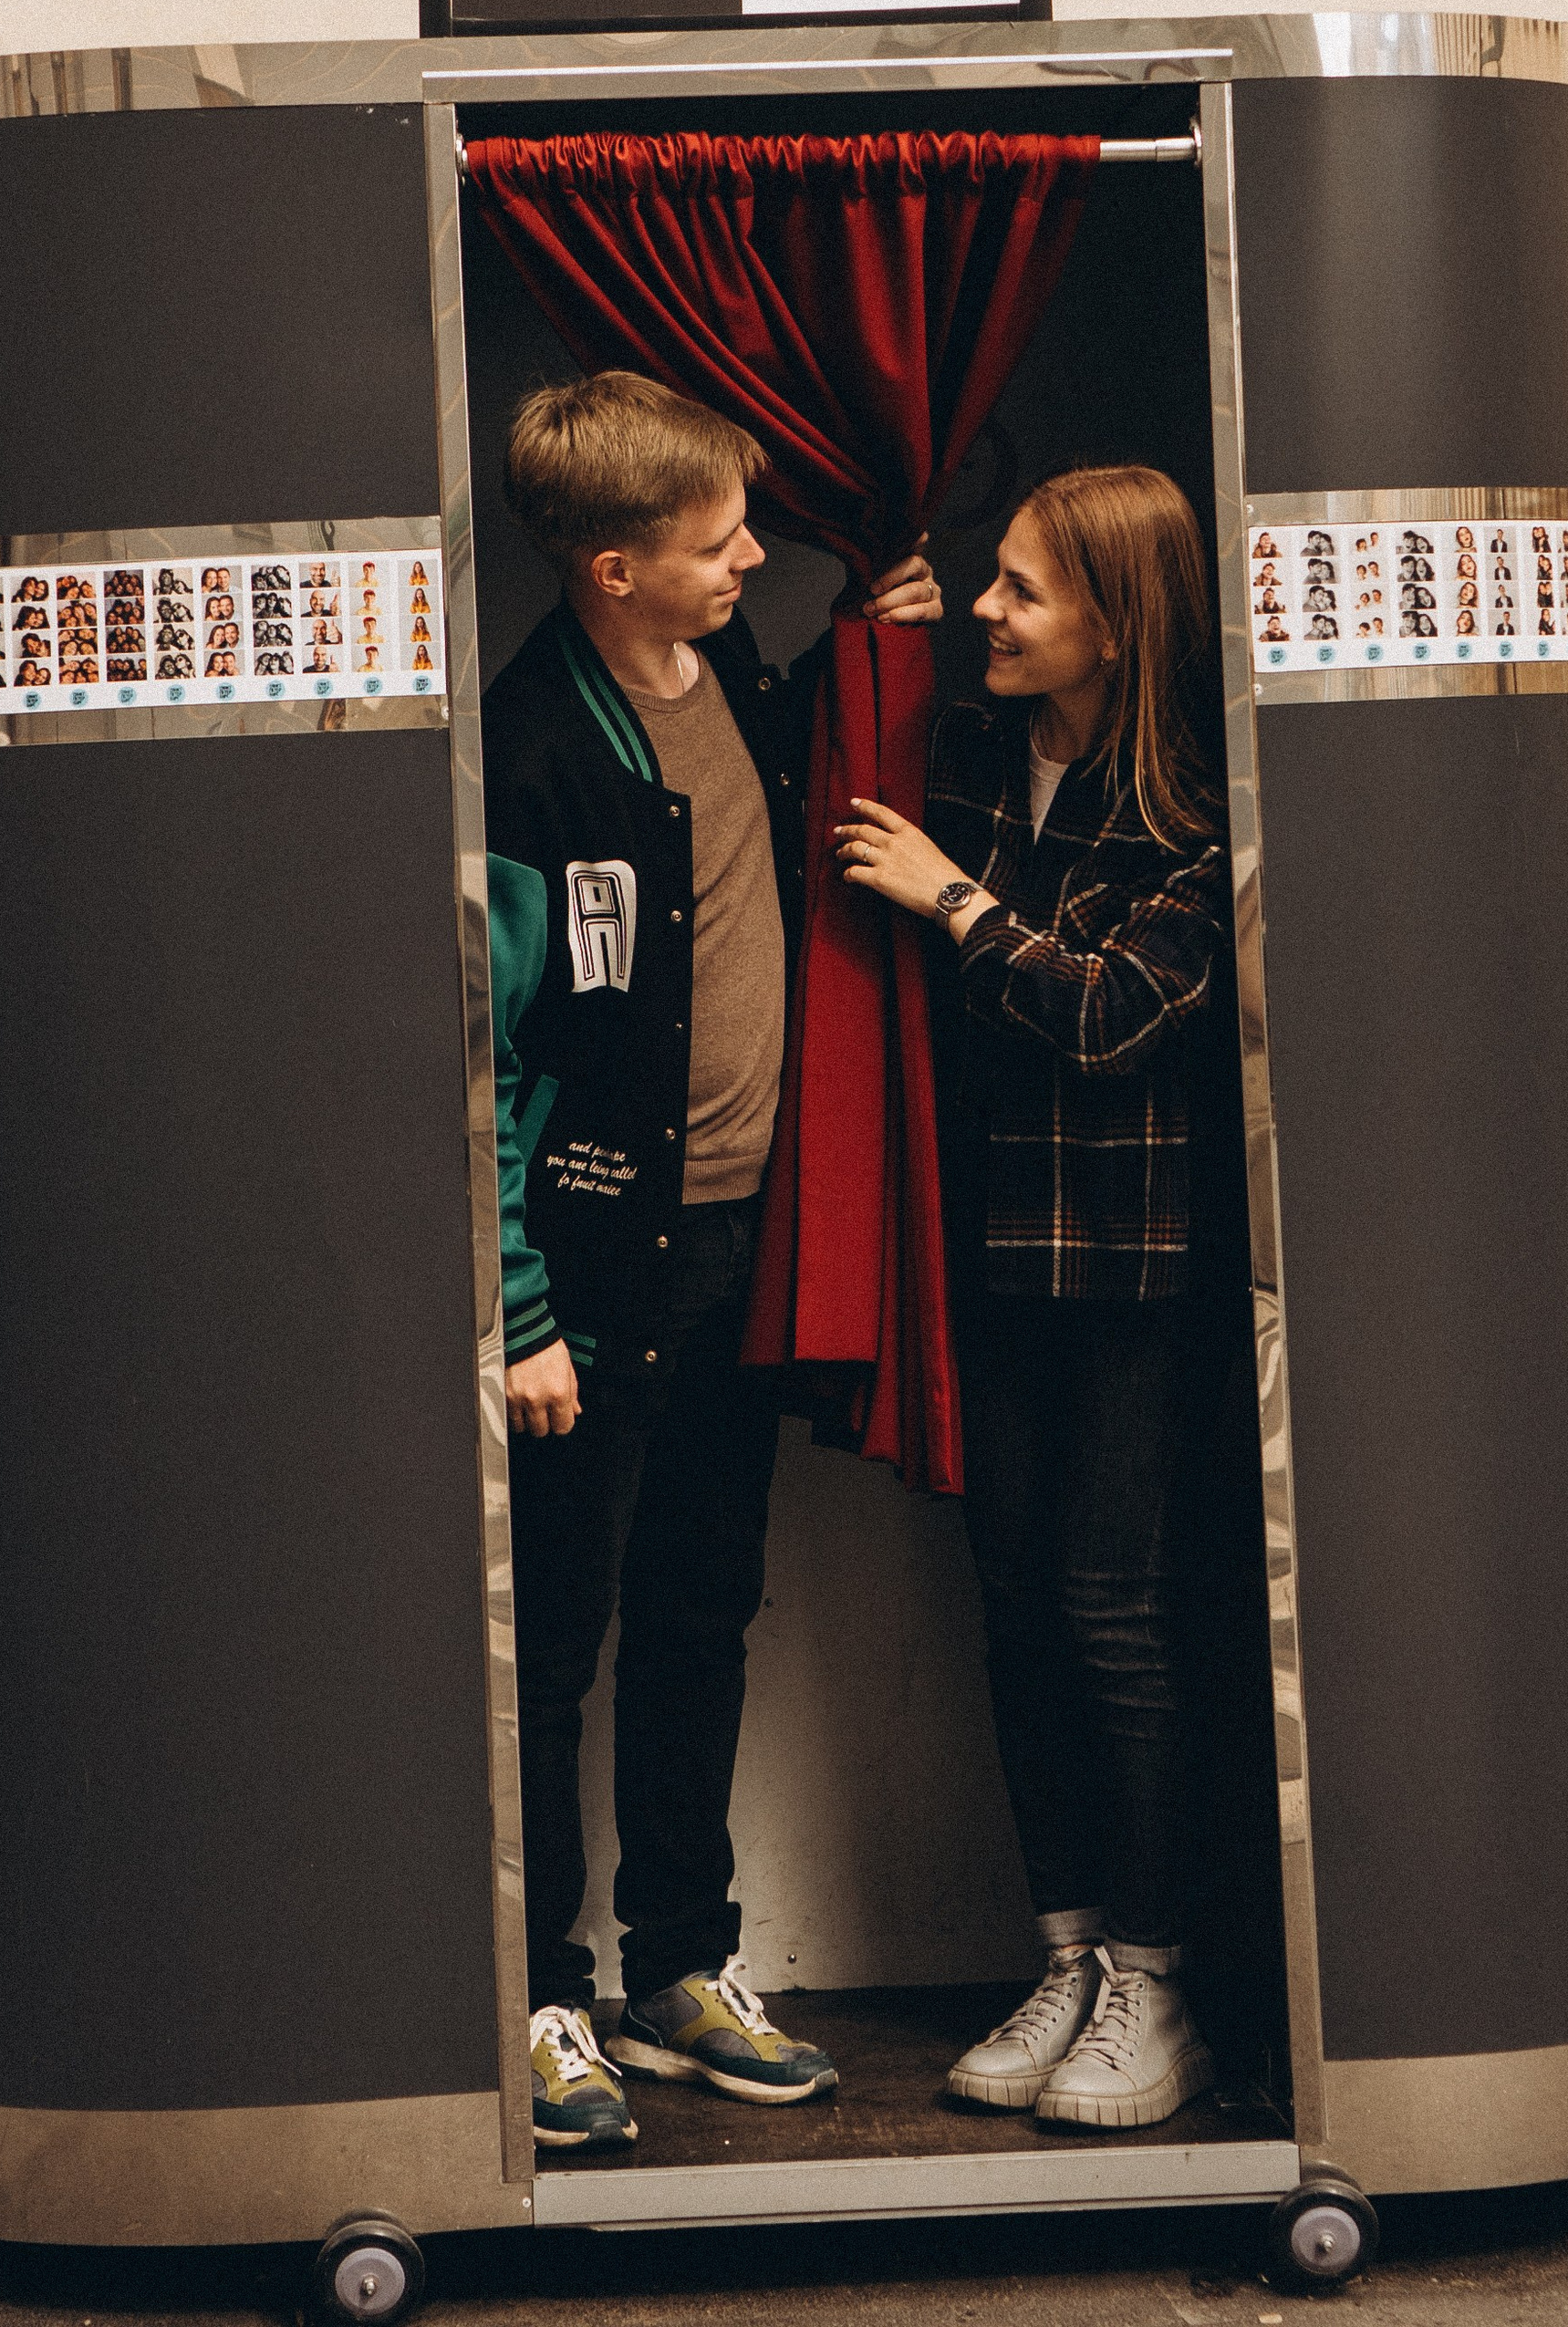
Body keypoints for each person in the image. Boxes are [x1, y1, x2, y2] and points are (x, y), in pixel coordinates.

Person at [482, 369, 937, 2153]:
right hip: (592, 1279)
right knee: (556, 1645)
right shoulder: (529, 749)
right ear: (608, 569)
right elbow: (490, 1054)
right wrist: (517, 1311)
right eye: (715, 538)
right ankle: (532, 1993)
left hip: (741, 1244)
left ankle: (677, 1968)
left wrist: (858, 654)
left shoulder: (726, 677)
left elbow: (756, 813)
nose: (750, 550)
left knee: (695, 1617)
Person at [833, 462, 1231, 2133]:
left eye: (1021, 591)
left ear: (1114, 624)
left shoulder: (1201, 812)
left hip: (1131, 1279)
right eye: (988, 582)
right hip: (983, 1256)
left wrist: (958, 904)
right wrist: (889, 641)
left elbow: (1109, 1014)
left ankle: (1159, 1977)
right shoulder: (984, 759)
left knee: (1113, 1614)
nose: (991, 611)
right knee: (1013, 1604)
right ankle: (1070, 1953)